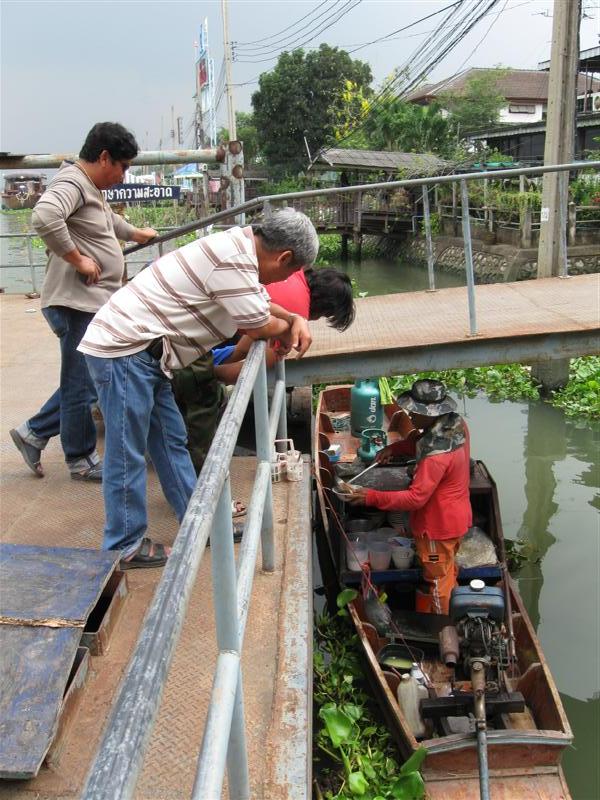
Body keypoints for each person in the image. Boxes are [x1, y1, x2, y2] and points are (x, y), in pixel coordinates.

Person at [78, 208, 318, 569]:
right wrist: (288, 326)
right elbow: (255, 322)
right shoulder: (234, 260)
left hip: (149, 355)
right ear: (284, 257)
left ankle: (200, 524)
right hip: (125, 352)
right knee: (126, 452)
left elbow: (260, 303)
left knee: (171, 440)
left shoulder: (239, 249)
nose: (279, 280)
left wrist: (294, 318)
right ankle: (123, 545)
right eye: (288, 271)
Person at [9, 122, 157, 481]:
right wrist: (79, 259)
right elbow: (44, 216)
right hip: (76, 303)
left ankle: (35, 433)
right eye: (122, 166)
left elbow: (106, 223)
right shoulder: (72, 182)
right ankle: (78, 457)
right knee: (83, 383)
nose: (124, 176)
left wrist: (135, 233)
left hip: (89, 302)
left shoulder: (91, 186)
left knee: (87, 380)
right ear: (103, 157)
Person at [171, 267, 355, 474]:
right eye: (324, 316)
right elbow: (249, 369)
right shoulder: (295, 314)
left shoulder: (294, 274)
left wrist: (210, 367)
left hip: (180, 297)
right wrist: (206, 374)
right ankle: (199, 481)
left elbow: (246, 344)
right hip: (182, 327)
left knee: (199, 375)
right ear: (323, 308)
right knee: (204, 405)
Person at [347, 379, 472, 615]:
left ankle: (443, 632)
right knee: (447, 573)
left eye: (415, 412)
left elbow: (416, 499)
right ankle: (454, 622)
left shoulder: (436, 458)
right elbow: (419, 440)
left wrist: (369, 497)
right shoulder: (456, 425)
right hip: (458, 517)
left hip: (437, 527)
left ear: (431, 413)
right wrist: (394, 449)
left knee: (437, 583)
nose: (411, 416)